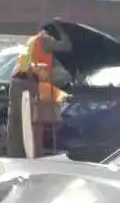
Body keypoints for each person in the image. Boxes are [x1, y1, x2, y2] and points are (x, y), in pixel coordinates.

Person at [6, 21, 71, 157]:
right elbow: (66, 46)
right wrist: (63, 31)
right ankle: (34, 157)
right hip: (28, 84)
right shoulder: (45, 40)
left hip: (16, 82)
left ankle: (15, 155)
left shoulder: (32, 40)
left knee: (16, 123)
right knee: (32, 122)